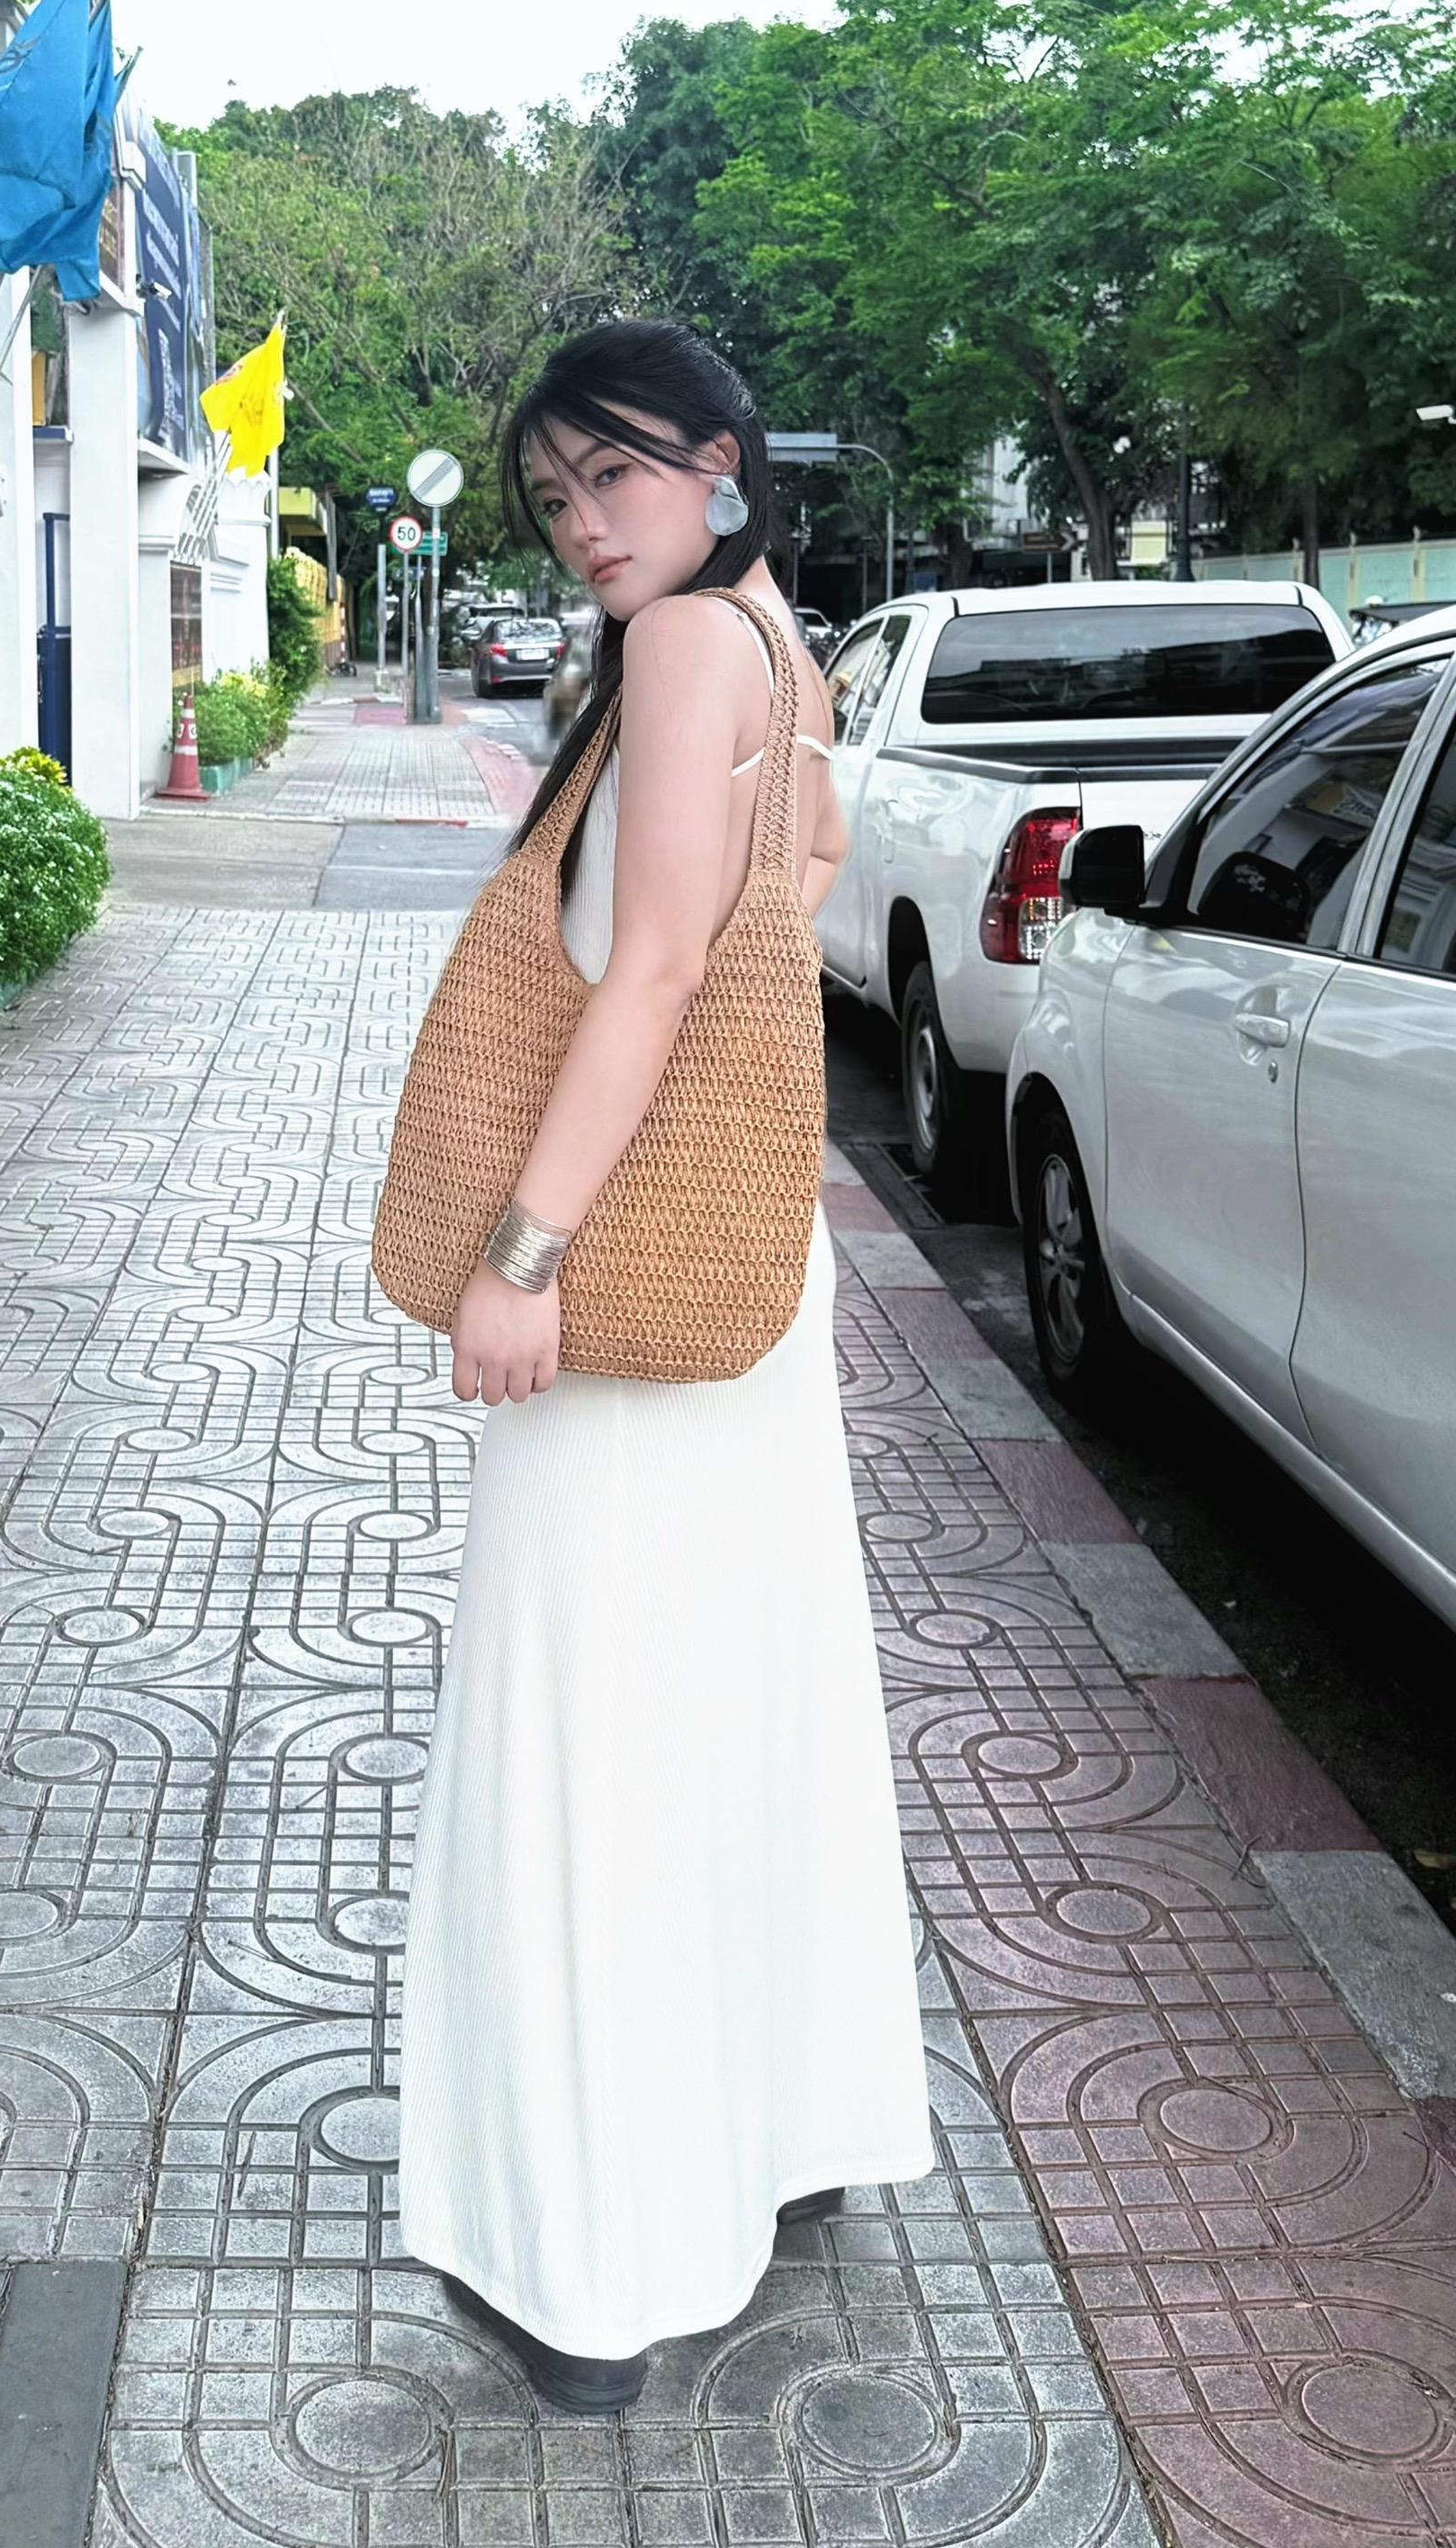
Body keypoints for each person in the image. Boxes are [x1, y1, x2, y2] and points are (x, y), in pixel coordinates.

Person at [394, 320, 933, 2416]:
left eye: (612, 476)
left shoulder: (693, 645)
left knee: (574, 1753)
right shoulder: (782, 643)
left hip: (624, 1284)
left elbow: (656, 975)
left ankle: (585, 2269)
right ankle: (785, 2141)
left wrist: (520, 1256)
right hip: (742, 1284)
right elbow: (778, 910)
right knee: (747, 1712)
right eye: (555, 498)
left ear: (718, 460)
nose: (584, 526)